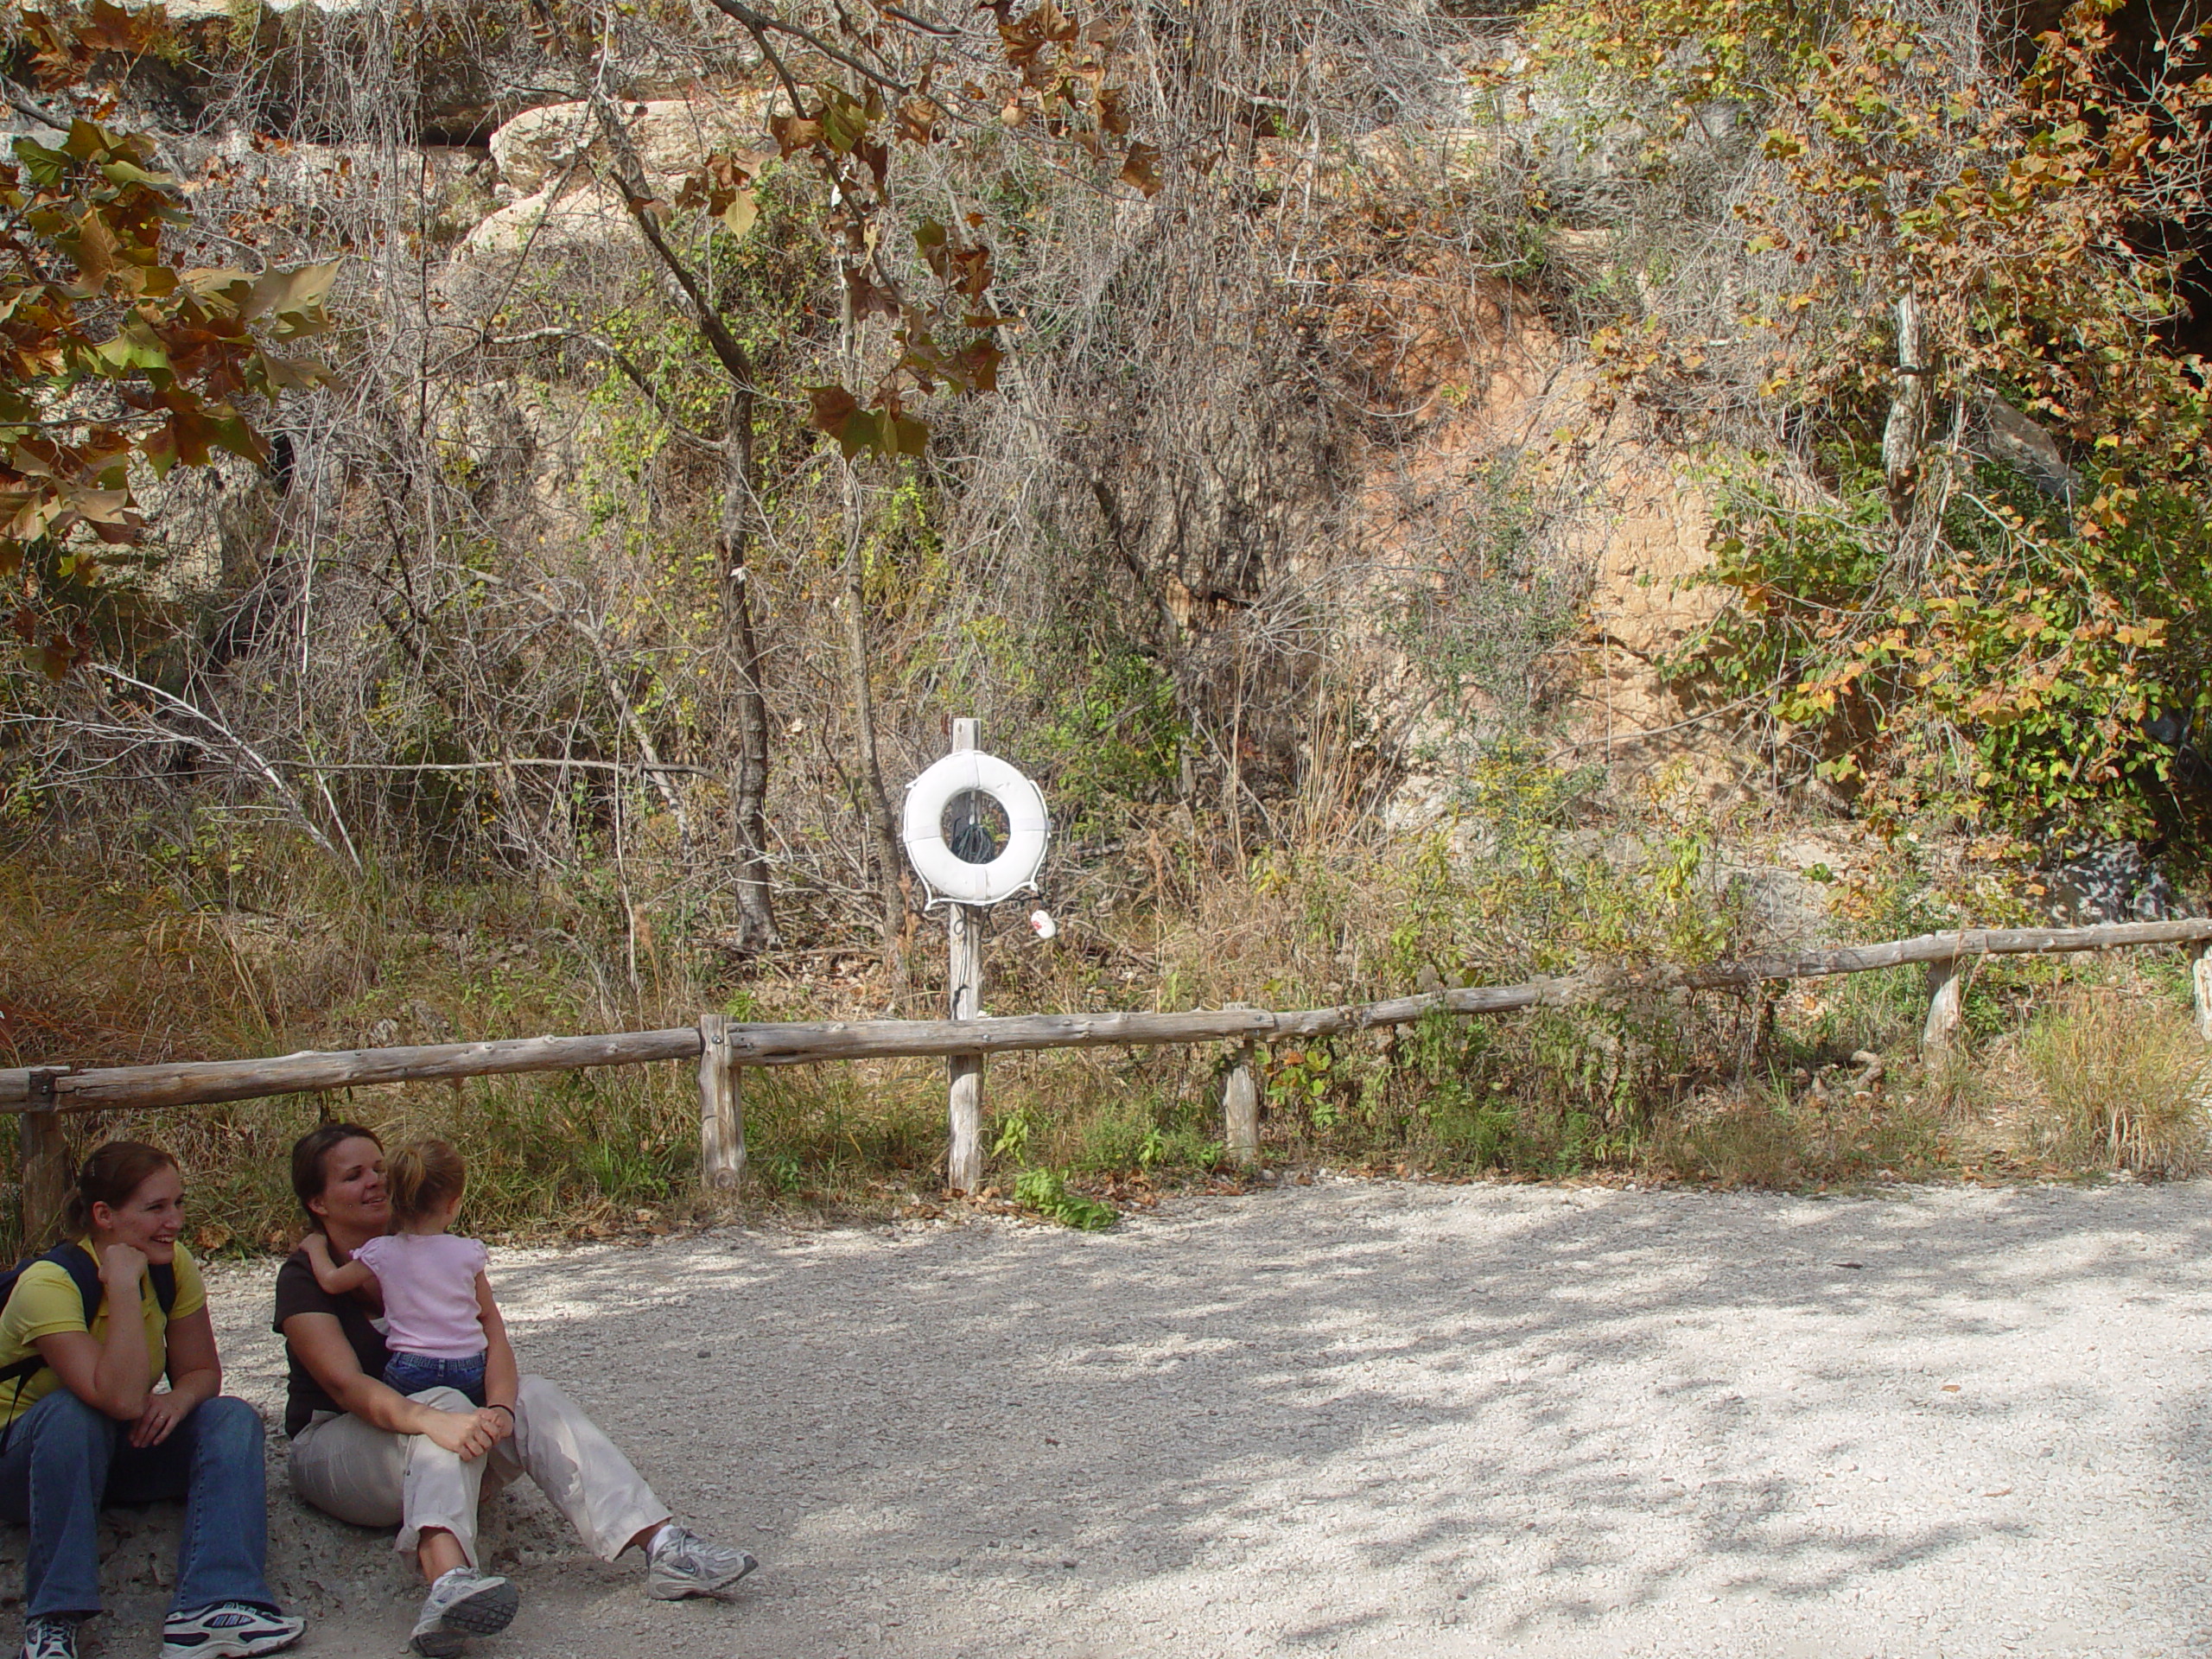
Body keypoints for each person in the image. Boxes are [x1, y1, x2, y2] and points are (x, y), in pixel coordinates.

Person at [274, 1124, 754, 1657]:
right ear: (317, 1202)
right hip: (338, 1449)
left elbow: (493, 1335)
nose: (375, 1182)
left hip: (437, 1438)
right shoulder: (302, 1277)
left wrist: (501, 1407)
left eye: (379, 1169)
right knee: (446, 1404)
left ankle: (664, 1547)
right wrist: (436, 1419)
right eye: (353, 1175)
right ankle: (447, 1585)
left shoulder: (433, 1252)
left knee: (535, 1395)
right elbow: (347, 1385)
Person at [0, 1141, 303, 1659]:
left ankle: (214, 1606)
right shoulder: (47, 1285)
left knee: (230, 1416)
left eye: (179, 1204)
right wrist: (120, 1287)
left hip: (113, 1450)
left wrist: (178, 1401)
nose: (175, 1222)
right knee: (74, 1412)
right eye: (156, 1208)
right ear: (104, 1216)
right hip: (29, 1467)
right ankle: (52, 1621)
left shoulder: (171, 1265)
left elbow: (203, 1372)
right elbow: (116, 1397)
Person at [302, 1139, 491, 1407]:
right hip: (470, 1364)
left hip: (413, 1366)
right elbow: (484, 1312)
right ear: (453, 1204)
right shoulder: (469, 1252)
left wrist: (315, 1247)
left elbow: (332, 1282)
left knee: (396, 1405)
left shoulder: (382, 1252)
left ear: (393, 1199)